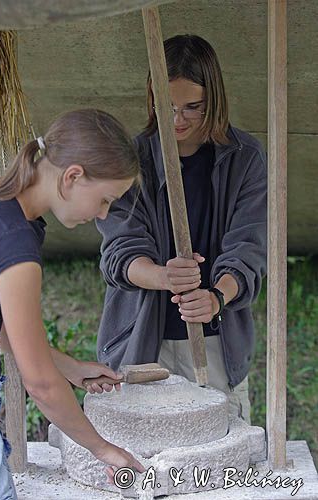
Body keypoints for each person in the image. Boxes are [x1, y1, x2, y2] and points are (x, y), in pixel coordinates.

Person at [95, 35, 267, 424]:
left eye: (193, 107)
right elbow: (119, 252)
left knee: (219, 454)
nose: (177, 120)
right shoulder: (130, 158)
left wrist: (215, 299)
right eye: (167, 105)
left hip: (214, 341)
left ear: (216, 99)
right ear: (151, 95)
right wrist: (163, 275)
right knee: (142, 459)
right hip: (140, 340)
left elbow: (250, 249)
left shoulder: (247, 159)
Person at [0, 108, 144, 500]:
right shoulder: (16, 243)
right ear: (72, 176)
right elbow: (38, 382)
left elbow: (2, 328)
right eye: (105, 200)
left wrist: (71, 368)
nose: (103, 215)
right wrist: (102, 448)